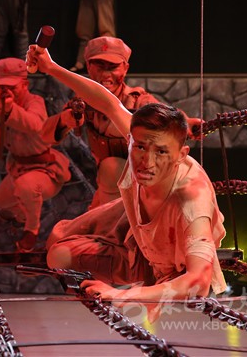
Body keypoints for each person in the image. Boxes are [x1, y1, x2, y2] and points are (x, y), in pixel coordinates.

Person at [26, 43, 227, 314]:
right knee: (57, 246)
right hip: (137, 223)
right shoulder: (139, 134)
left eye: (161, 152)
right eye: (140, 148)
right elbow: (108, 103)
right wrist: (51, 67)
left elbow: (198, 283)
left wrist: (123, 295)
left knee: (110, 171)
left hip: (165, 262)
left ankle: (123, 274)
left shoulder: (192, 199)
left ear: (181, 156)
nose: (147, 162)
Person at [0, 58, 76, 252]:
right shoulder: (1, 102)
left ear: (25, 85)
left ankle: (31, 230)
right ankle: (23, 215)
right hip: (18, 168)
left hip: (44, 170)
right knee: (0, 202)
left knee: (27, 186)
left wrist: (10, 111)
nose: (7, 92)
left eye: (12, 87)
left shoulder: (35, 101)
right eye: (2, 87)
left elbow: (35, 125)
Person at [42, 36, 158, 209]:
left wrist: (188, 124)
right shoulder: (83, 102)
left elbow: (165, 118)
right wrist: (65, 120)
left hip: (143, 186)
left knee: (111, 168)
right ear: (88, 67)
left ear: (125, 68)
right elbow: (45, 135)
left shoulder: (137, 100)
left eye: (112, 67)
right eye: (99, 66)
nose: (105, 74)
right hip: (108, 188)